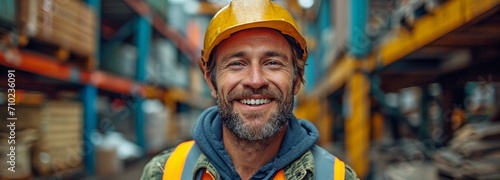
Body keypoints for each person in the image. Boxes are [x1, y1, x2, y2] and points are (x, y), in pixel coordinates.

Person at [141, 0, 358, 179]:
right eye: (237, 63)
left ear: (297, 78)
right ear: (211, 81)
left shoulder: (335, 176)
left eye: (272, 62)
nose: (255, 80)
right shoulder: (164, 173)